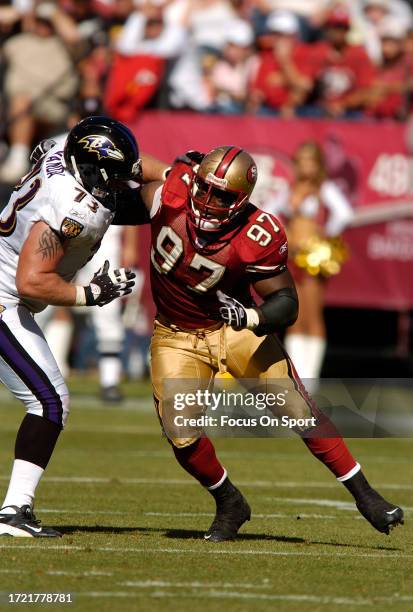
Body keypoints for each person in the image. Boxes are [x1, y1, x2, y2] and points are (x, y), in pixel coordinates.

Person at [136, 145, 403, 542]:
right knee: (182, 433)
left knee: (298, 409)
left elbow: (286, 303)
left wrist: (253, 316)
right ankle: (229, 501)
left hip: (234, 328)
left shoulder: (257, 233)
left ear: (242, 199)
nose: (209, 202)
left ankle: (365, 494)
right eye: (206, 189)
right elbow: (122, 191)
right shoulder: (173, 192)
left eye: (222, 196)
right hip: (175, 333)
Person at [0, 115, 165, 537]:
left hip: (10, 295)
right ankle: (13, 513)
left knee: (162, 195)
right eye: (111, 176)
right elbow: (32, 281)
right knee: (49, 402)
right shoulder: (72, 207)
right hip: (5, 298)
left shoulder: (63, 152)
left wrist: (178, 175)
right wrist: (92, 293)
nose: (118, 182)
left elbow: (134, 169)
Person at [273, 141, 354, 388]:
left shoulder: (324, 189)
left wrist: (323, 236)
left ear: (318, 164)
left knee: (313, 314)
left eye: (310, 161)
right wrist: (284, 230)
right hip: (293, 257)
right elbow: (269, 210)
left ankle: (311, 378)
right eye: (301, 160)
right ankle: (296, 377)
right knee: (295, 314)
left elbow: (345, 213)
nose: (305, 166)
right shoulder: (290, 189)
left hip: (313, 259)